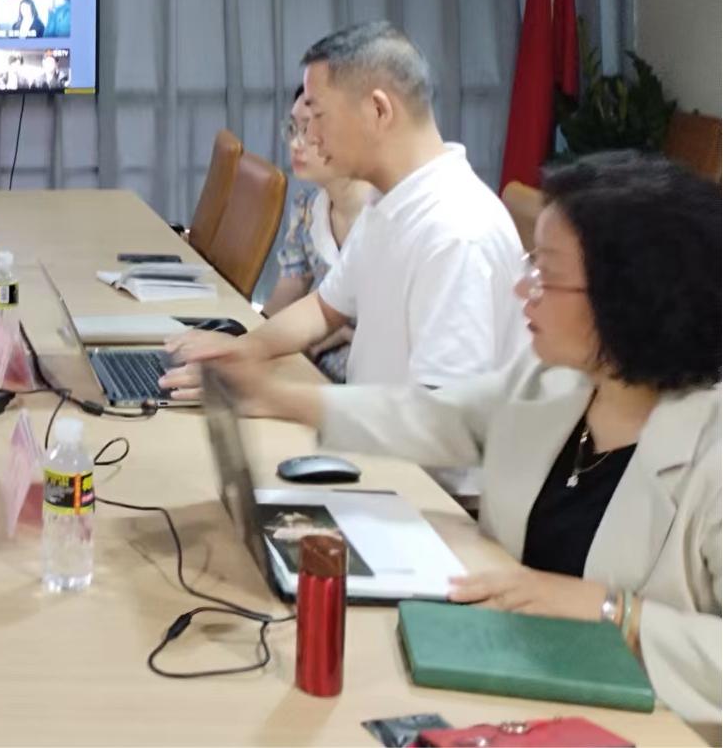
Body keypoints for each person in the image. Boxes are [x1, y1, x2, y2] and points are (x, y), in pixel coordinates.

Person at [195, 152, 721, 731]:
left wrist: (617, 613)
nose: (521, 288)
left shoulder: (710, 450)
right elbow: (441, 417)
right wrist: (276, 397)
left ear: (630, 298)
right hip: (515, 680)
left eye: (545, 274)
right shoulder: (557, 382)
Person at [165, 21, 527, 408]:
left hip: (406, 447)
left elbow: (441, 418)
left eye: (318, 116)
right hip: (370, 432)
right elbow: (325, 308)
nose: (309, 137)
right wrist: (240, 351)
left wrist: (270, 398)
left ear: (378, 110)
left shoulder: (456, 234)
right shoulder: (388, 202)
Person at [265, 87, 376, 383]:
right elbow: (289, 290)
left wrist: (340, 334)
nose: (296, 144)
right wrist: (249, 339)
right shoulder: (307, 207)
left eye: (309, 129)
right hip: (313, 365)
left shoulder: (389, 218)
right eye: (292, 128)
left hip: (368, 383)